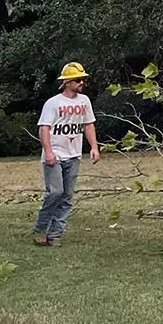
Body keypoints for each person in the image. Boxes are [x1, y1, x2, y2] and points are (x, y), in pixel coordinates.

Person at [34, 62, 99, 247]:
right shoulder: (53, 103)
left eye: (83, 80)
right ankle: (41, 227)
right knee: (55, 192)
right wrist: (48, 152)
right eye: (78, 80)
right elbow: (44, 128)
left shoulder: (84, 101)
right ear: (67, 82)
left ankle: (55, 235)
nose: (81, 83)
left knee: (67, 196)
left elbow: (88, 124)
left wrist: (94, 147)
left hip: (74, 155)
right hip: (55, 155)